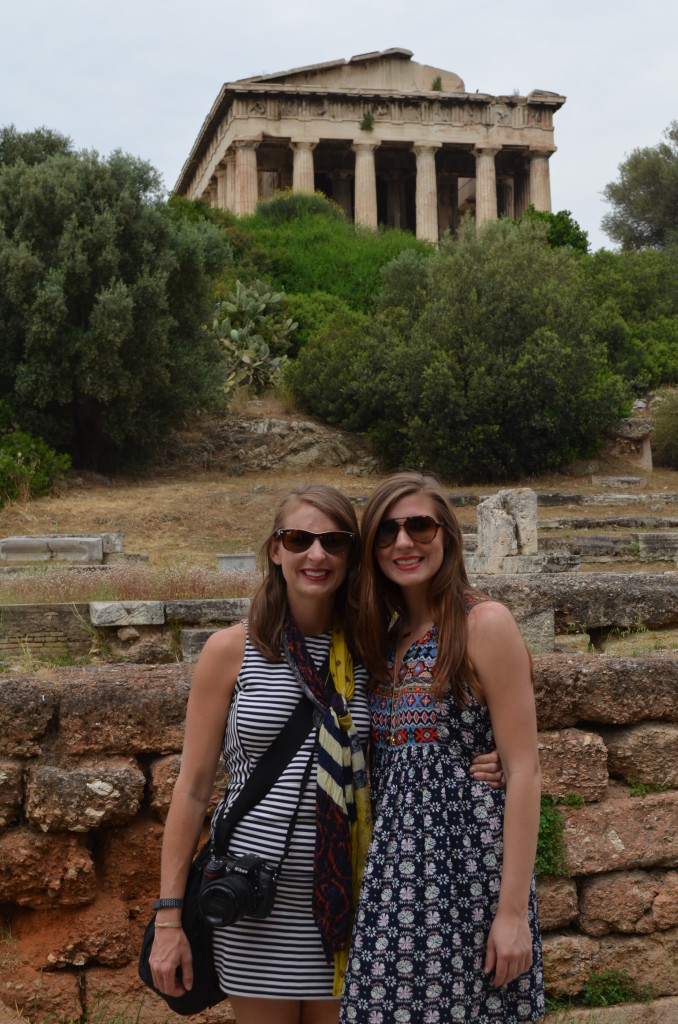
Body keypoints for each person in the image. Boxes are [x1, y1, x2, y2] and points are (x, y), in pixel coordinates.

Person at [150, 482, 503, 1024]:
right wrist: (169, 919)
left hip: (351, 905)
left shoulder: (374, 652)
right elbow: (194, 789)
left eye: (334, 542)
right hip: (254, 902)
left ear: (349, 555)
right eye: (298, 539)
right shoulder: (231, 650)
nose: (316, 555)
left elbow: (418, 739)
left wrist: (484, 761)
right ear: (275, 550)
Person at [340, 471, 544, 1024]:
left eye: (419, 525)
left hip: (469, 875)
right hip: (394, 882)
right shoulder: (381, 640)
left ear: (447, 535)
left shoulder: (484, 622)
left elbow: (524, 771)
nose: (403, 542)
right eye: (387, 531)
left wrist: (512, 916)